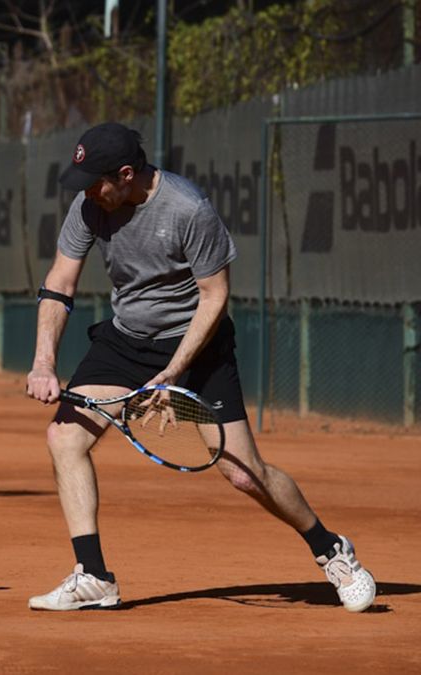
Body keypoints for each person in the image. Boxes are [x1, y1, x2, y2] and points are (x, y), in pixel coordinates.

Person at [24, 122, 375, 612]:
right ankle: (94, 576)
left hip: (197, 345)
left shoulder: (189, 209)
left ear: (126, 175)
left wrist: (173, 371)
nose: (86, 190)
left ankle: (330, 549)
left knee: (244, 474)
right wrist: (44, 362)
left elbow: (215, 298)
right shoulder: (89, 205)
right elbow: (59, 282)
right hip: (125, 341)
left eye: (94, 180)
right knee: (65, 438)